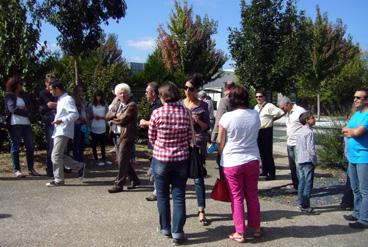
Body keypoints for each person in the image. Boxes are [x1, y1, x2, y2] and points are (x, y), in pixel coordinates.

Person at [217, 85, 262, 243]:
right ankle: (256, 228)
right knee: (252, 195)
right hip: (252, 159)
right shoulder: (255, 115)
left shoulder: (227, 117)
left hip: (232, 161)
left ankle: (240, 232)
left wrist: (220, 153)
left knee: (236, 197)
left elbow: (220, 141)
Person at [149, 81, 191, 245]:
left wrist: (161, 145)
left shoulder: (157, 113)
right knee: (179, 196)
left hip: (161, 159)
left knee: (162, 195)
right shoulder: (186, 113)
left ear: (163, 97)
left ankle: (165, 228)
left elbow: (151, 138)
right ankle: (178, 232)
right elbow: (189, 138)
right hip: (181, 159)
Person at [182, 74, 211, 226]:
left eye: (191, 88)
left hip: (197, 146)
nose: (187, 91)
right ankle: (181, 210)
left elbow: (207, 127)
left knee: (198, 179)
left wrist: (197, 120)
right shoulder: (180, 104)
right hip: (181, 145)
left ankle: (201, 210)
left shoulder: (203, 106)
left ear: (197, 90)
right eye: (185, 88)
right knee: (180, 179)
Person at [46, 80, 84, 187]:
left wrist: (61, 120)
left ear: (57, 89)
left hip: (63, 130)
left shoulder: (67, 99)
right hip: (59, 130)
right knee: (59, 155)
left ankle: (59, 180)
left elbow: (75, 114)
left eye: (51, 90)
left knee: (55, 155)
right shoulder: (61, 99)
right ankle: (79, 166)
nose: (50, 92)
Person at [106, 83, 141, 193]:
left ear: (128, 93)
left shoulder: (132, 105)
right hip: (116, 134)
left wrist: (113, 118)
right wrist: (116, 115)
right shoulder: (117, 103)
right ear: (117, 94)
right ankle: (135, 180)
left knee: (121, 160)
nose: (123, 95)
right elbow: (107, 115)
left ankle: (119, 184)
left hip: (127, 135)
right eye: (120, 93)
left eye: (125, 93)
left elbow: (123, 120)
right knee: (123, 160)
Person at [342, 88, 368, 229]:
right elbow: (344, 129)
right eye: (355, 97)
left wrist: (352, 132)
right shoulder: (356, 114)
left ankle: (364, 219)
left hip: (364, 158)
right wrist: (351, 131)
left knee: (365, 190)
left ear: (366, 100)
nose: (355, 100)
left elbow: (357, 132)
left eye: (359, 97)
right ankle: (357, 212)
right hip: (352, 157)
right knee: (355, 188)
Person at [4, 76, 39, 177]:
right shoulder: (9, 96)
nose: (22, 86)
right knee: (15, 147)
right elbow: (13, 109)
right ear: (15, 84)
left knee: (30, 146)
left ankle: (31, 169)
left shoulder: (24, 96)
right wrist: (24, 110)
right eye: (20, 84)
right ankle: (17, 170)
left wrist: (23, 109)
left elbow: (31, 108)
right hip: (15, 124)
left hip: (26, 123)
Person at [139, 82, 162, 202]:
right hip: (154, 140)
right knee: (154, 165)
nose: (145, 94)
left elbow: (159, 121)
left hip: (158, 141)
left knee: (156, 166)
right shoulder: (154, 104)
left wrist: (145, 122)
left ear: (153, 93)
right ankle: (158, 189)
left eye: (147, 92)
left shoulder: (158, 104)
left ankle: (157, 191)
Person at [254, 89, 284, 180]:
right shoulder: (256, 107)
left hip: (266, 130)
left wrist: (272, 119)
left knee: (267, 152)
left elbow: (280, 112)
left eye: (260, 96)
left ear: (264, 97)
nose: (258, 98)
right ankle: (264, 170)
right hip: (258, 131)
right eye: (257, 97)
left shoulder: (269, 106)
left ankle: (271, 173)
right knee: (261, 152)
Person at [278, 96, 306, 190]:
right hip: (290, 143)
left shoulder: (300, 111)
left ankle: (303, 188)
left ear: (288, 104)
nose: (282, 110)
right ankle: (296, 186)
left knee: (299, 167)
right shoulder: (288, 113)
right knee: (292, 166)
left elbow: (307, 124)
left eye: (283, 108)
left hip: (298, 143)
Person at [211, 80, 235, 172]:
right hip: (237, 136)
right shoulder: (239, 100)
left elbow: (219, 120)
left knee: (222, 162)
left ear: (226, 87)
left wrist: (213, 137)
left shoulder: (224, 100)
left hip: (225, 135)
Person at [295, 111, 317, 214]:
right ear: (307, 120)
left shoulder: (299, 131)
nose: (314, 119)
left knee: (302, 182)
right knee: (308, 184)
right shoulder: (309, 132)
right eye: (313, 118)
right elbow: (311, 149)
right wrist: (314, 160)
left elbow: (298, 147)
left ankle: (300, 202)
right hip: (308, 160)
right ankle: (305, 205)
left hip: (300, 159)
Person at [39, 73, 58, 177]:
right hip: (50, 120)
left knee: (59, 146)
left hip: (57, 120)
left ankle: (59, 167)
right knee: (51, 145)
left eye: (53, 83)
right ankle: (50, 168)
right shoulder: (44, 93)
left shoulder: (55, 92)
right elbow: (50, 104)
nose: (52, 85)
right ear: (46, 83)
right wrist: (63, 104)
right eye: (50, 83)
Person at [88, 90, 110, 166]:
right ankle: (96, 159)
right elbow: (88, 116)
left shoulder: (105, 105)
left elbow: (108, 116)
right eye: (97, 96)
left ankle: (104, 158)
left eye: (100, 96)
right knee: (94, 145)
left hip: (102, 127)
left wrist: (101, 117)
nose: (98, 98)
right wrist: (93, 117)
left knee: (103, 144)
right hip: (94, 127)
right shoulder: (91, 105)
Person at [72, 85, 89, 162]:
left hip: (83, 125)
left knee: (82, 143)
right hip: (76, 125)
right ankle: (76, 160)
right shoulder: (73, 101)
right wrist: (82, 118)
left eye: (82, 90)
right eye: (80, 91)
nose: (81, 92)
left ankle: (81, 159)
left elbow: (85, 111)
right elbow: (73, 114)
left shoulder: (83, 101)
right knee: (76, 143)